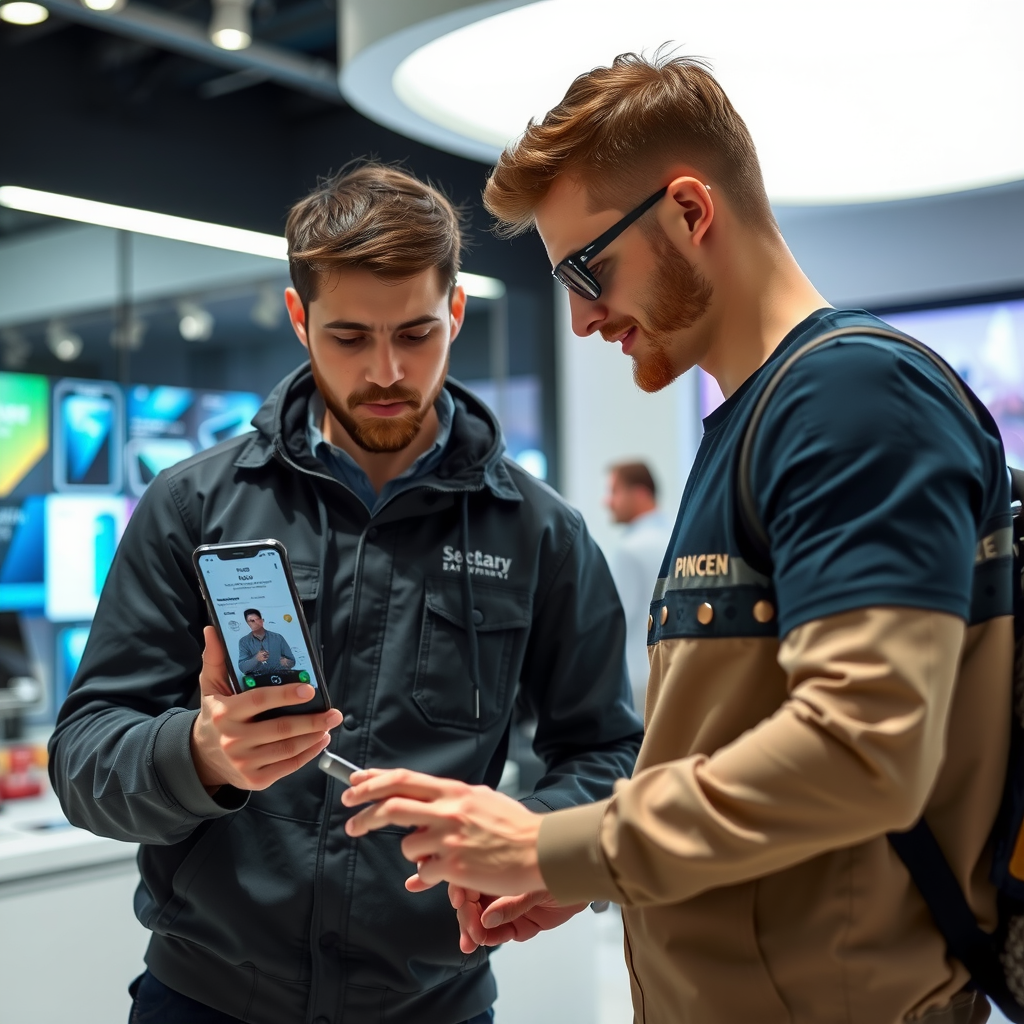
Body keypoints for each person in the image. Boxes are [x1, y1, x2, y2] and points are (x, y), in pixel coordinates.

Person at [339, 56, 1011, 1024]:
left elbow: (861, 750)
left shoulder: (849, 399)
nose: (578, 317)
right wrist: (597, 870)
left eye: (587, 267)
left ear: (690, 211)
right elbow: (738, 752)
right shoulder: (757, 418)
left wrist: (552, 845)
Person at [48, 163, 642, 1024]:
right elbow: (83, 757)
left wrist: (527, 834)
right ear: (299, 320)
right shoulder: (191, 506)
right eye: (350, 338)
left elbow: (608, 754)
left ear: (457, 314)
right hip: (206, 998)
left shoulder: (542, 533)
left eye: (417, 333)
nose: (388, 372)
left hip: (433, 1001)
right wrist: (202, 756)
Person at [604, 461, 671, 714]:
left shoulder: (630, 550)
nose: (607, 502)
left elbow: (613, 622)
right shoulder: (675, 536)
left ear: (640, 493)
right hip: (669, 673)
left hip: (634, 682)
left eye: (614, 492)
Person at [238, 608, 295, 678]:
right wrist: (256, 659)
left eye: (257, 619)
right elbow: (243, 668)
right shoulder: (244, 641)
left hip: (281, 678)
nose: (255, 622)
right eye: (251, 621)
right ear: (247, 623)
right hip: (259, 681)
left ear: (262, 620)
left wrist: (287, 663)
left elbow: (292, 661)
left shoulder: (278, 637)